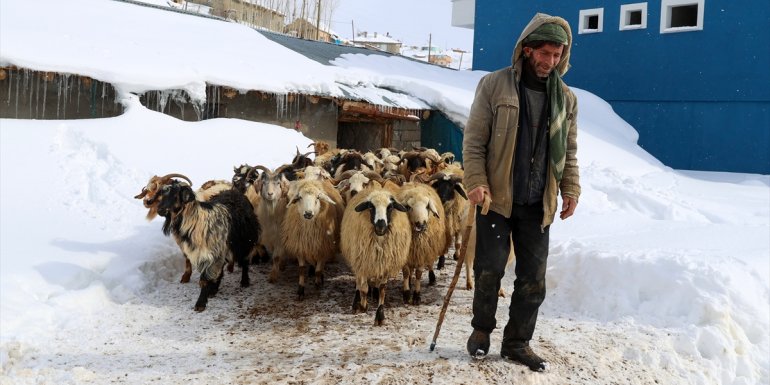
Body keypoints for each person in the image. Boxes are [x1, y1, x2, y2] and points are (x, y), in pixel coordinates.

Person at [461, 13, 581, 372]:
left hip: (538, 204)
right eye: (544, 53)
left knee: (533, 280)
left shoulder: (566, 99)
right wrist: (475, 181)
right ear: (527, 50)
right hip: (496, 200)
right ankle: (481, 331)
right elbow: (474, 140)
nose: (550, 62)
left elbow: (569, 151)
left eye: (557, 55)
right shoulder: (495, 85)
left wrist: (571, 187)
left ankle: (517, 343)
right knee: (489, 271)